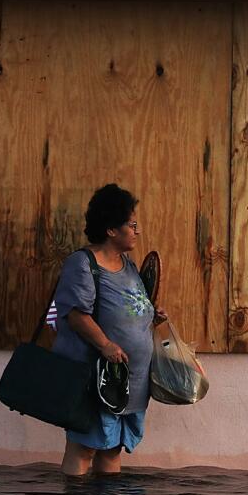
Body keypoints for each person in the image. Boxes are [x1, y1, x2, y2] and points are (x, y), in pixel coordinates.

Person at [51, 184, 168, 476]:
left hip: (128, 381)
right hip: (97, 377)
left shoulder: (127, 265)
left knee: (112, 447)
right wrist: (105, 345)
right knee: (84, 447)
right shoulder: (83, 263)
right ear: (112, 229)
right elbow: (76, 315)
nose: (136, 231)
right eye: (132, 224)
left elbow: (125, 310)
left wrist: (150, 317)